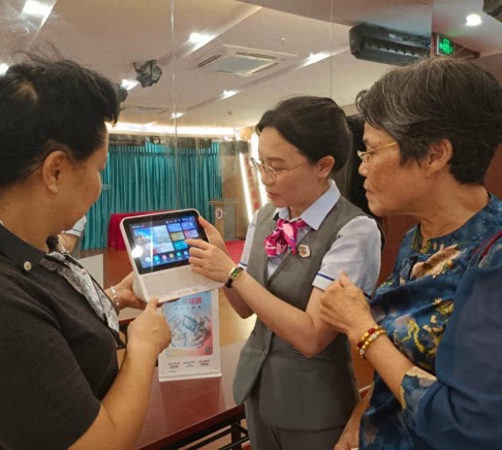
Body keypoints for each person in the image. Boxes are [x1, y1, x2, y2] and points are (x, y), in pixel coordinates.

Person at [0, 55, 171, 449]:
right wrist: (143, 347)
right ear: (55, 171)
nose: (99, 186)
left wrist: (111, 298)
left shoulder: (17, 247)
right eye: (99, 168)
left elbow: (40, 327)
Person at [319, 56, 502, 450]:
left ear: (434, 155)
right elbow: (405, 356)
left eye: (371, 151)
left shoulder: (493, 261)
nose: (362, 169)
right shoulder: (418, 237)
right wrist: (361, 415)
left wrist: (361, 329)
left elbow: (465, 427)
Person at [187, 96, 382, 449]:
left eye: (276, 168)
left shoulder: (354, 229)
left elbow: (312, 337)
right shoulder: (266, 217)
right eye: (260, 164)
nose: (264, 178)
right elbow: (244, 307)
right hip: (259, 388)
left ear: (323, 165)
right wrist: (220, 265)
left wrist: (233, 274)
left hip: (315, 405)